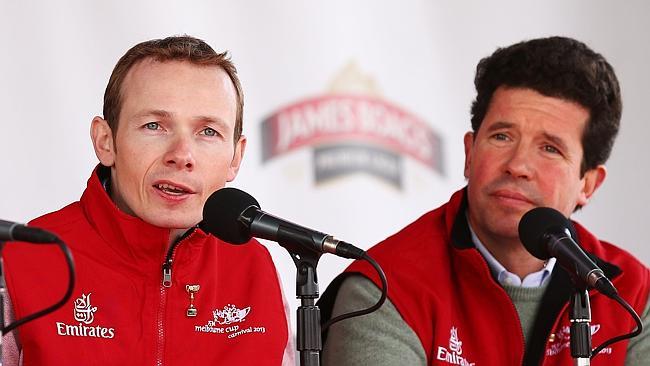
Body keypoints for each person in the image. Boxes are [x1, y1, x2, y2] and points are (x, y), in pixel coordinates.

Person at [319, 36, 650, 365]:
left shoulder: (631, 293)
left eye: (550, 148)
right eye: (501, 136)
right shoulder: (385, 288)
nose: (518, 165)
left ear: (588, 184)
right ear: (469, 153)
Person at [2, 36, 293, 365]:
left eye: (208, 131)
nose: (182, 155)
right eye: (154, 126)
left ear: (235, 158)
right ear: (106, 141)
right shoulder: (22, 259)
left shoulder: (256, 268)